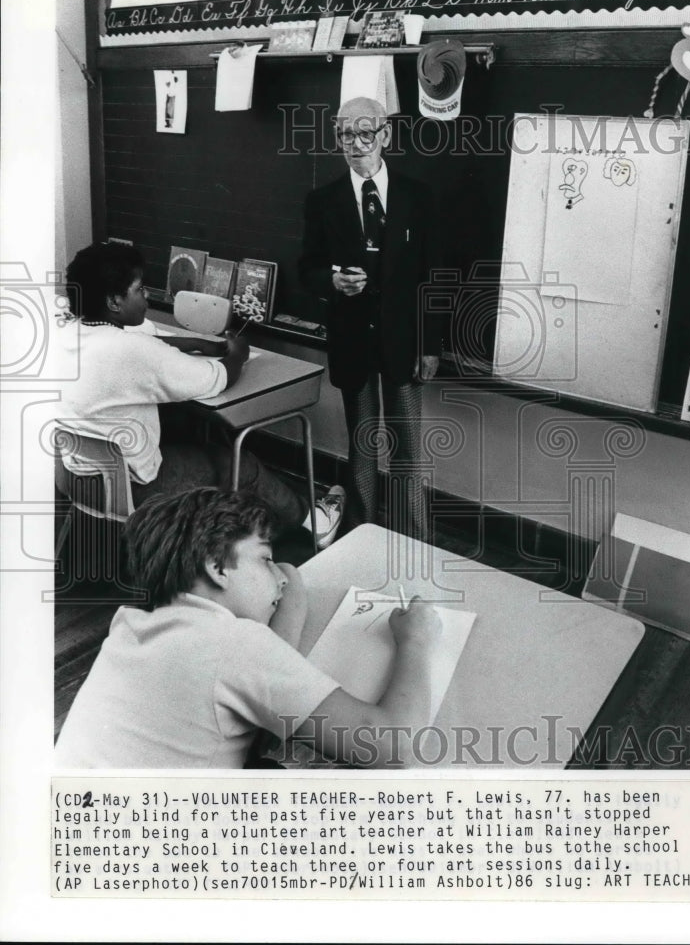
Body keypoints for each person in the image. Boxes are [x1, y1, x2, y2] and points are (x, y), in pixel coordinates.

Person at [54, 488, 442, 768]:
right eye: (265, 559)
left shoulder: (130, 625)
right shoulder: (233, 643)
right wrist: (417, 640)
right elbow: (393, 744)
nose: (279, 577)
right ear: (218, 569)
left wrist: (281, 577)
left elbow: (280, 612)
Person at [58, 241, 344, 549]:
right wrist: (238, 354)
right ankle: (316, 521)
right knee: (241, 463)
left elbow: (142, 342)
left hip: (77, 478)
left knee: (185, 426)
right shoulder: (134, 351)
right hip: (133, 490)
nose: (148, 296)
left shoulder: (66, 334)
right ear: (115, 301)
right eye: (139, 290)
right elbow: (217, 378)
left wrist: (196, 343)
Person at [299, 96, 442, 541]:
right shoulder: (322, 200)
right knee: (362, 441)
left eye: (366, 133)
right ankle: (362, 530)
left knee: (408, 445)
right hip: (353, 340)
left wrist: (430, 344)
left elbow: (432, 277)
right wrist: (333, 282)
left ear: (385, 135)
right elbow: (307, 268)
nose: (356, 143)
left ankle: (414, 535)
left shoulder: (418, 196)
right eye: (345, 134)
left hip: (404, 341)